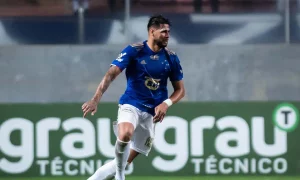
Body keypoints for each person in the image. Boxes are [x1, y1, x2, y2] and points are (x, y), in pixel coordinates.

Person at [82, 14, 185, 180]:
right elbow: (111, 74)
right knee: (125, 135)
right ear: (152, 32)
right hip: (131, 104)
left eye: (168, 32)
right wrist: (95, 99)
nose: (168, 35)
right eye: (164, 31)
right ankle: (121, 177)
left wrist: (166, 103)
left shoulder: (171, 58)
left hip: (152, 114)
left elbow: (180, 90)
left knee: (124, 160)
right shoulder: (134, 50)